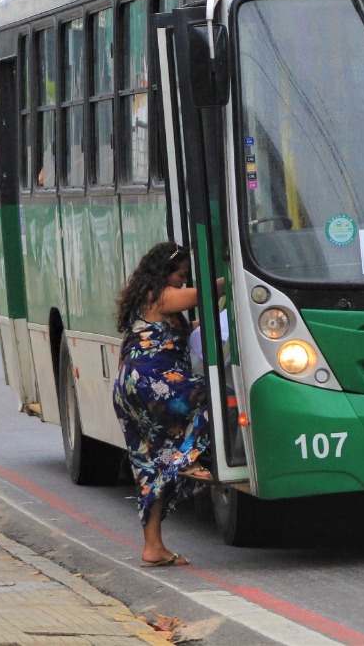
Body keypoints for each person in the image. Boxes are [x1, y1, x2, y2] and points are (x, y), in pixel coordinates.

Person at [112, 242, 215, 568]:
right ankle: (187, 458)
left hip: (131, 386)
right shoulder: (160, 295)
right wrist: (237, 276)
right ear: (163, 272)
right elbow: (204, 294)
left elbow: (182, 331)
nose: (183, 282)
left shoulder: (148, 301)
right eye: (180, 275)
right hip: (154, 381)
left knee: (150, 464)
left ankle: (153, 547)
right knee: (217, 397)